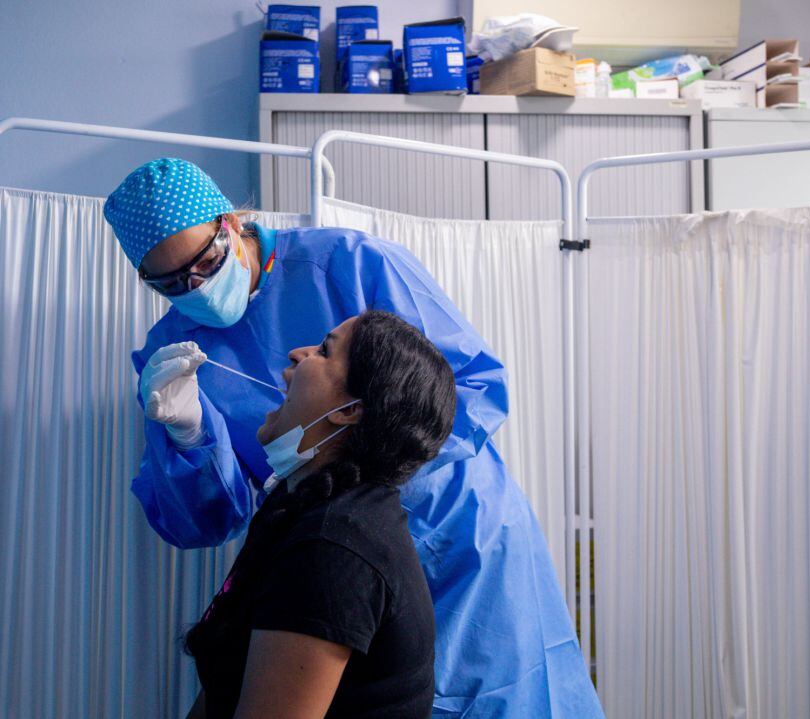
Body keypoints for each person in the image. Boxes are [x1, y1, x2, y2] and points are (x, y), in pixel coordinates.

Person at [103, 158, 601, 717]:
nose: (193, 287)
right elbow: (204, 519)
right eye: (168, 283)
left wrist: (369, 474)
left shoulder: (350, 263)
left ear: (233, 223)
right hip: (332, 552)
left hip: (454, 532)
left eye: (206, 262)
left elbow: (472, 387)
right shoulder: (174, 354)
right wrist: (190, 435)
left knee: (506, 692)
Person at [185, 311, 455, 719]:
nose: (297, 354)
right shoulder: (297, 505)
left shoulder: (335, 547)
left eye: (325, 351)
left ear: (349, 410)